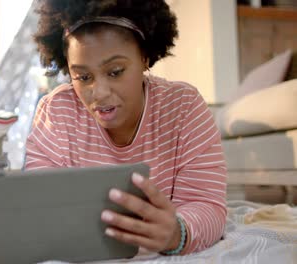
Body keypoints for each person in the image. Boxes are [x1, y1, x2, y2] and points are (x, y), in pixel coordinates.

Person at [25, 0, 227, 256]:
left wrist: (177, 233)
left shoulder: (184, 108)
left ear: (144, 57)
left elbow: (207, 204)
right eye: (83, 77)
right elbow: (40, 206)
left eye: (115, 71)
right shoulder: (56, 113)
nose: (99, 93)